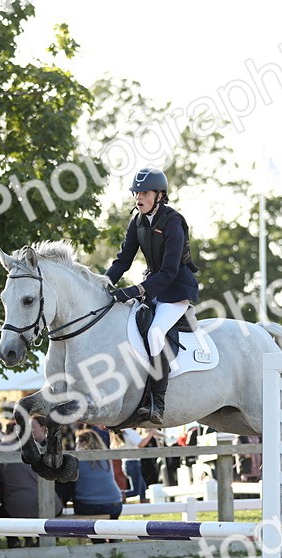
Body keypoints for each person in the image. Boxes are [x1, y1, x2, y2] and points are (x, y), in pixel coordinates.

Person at [105, 167, 200, 426]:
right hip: (154, 287)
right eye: (136, 193)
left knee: (155, 332)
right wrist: (104, 282)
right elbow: (123, 259)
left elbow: (169, 271)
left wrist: (137, 290)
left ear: (159, 195)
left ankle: (157, 402)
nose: (139, 197)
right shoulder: (137, 222)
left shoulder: (173, 221)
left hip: (177, 289)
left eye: (144, 193)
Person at [0, 415, 61, 547]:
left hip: (17, 507)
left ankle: (14, 541)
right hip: (52, 506)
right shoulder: (44, 448)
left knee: (5, 509)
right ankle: (38, 540)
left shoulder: (3, 450)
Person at [71, 430, 124, 519]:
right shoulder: (106, 458)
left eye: (77, 443)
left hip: (87, 505)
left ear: (84, 443)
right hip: (115, 504)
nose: (76, 447)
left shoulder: (77, 460)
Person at [118, 427, 147, 502]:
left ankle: (145, 511)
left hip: (127, 463)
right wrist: (151, 434)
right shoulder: (130, 432)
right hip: (133, 463)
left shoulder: (124, 433)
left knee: (142, 488)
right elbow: (140, 444)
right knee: (136, 491)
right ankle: (117, 495)